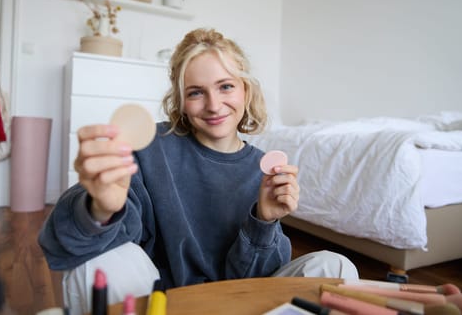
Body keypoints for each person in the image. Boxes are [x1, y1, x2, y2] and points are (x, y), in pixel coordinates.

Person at [38, 28, 358, 314]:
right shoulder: (152, 147)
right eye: (196, 92)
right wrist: (101, 209)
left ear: (245, 90)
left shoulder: (263, 170)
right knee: (97, 263)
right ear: (181, 101)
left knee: (337, 266)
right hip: (165, 303)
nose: (214, 105)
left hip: (243, 303)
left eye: (225, 87)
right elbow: (64, 242)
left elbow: (256, 286)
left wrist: (264, 221)